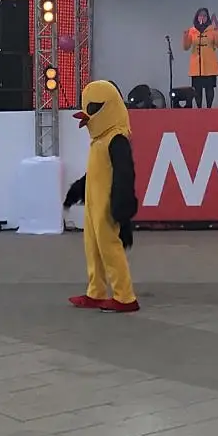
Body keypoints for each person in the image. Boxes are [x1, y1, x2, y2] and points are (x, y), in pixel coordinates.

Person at [63, 80, 139, 313]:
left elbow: (125, 173)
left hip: (106, 204)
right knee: (93, 247)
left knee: (109, 247)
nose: (87, 117)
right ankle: (96, 291)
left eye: (93, 109)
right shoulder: (99, 141)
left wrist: (122, 205)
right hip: (93, 204)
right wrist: (79, 188)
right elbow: (97, 172)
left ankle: (125, 296)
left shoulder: (117, 139)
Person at [182, 7, 218, 108]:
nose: (202, 17)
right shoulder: (192, 31)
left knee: (209, 88)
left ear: (207, 17)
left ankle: (209, 108)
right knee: (197, 89)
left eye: (204, 16)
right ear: (197, 17)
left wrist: (217, 34)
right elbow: (186, 47)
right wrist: (185, 36)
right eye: (200, 15)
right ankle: (199, 109)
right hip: (196, 65)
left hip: (209, 64)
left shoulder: (213, 30)